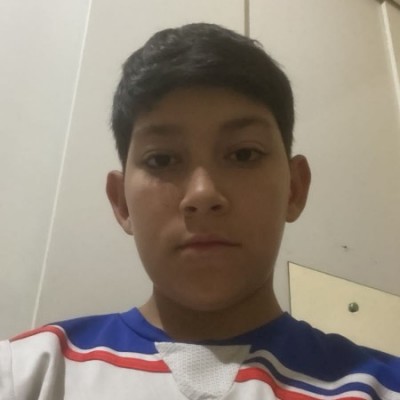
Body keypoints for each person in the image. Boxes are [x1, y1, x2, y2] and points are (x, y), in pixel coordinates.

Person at [1, 23, 399, 400]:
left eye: (244, 154)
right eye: (161, 160)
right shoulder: (27, 372)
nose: (203, 194)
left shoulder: (380, 387)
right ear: (121, 202)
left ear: (294, 189)